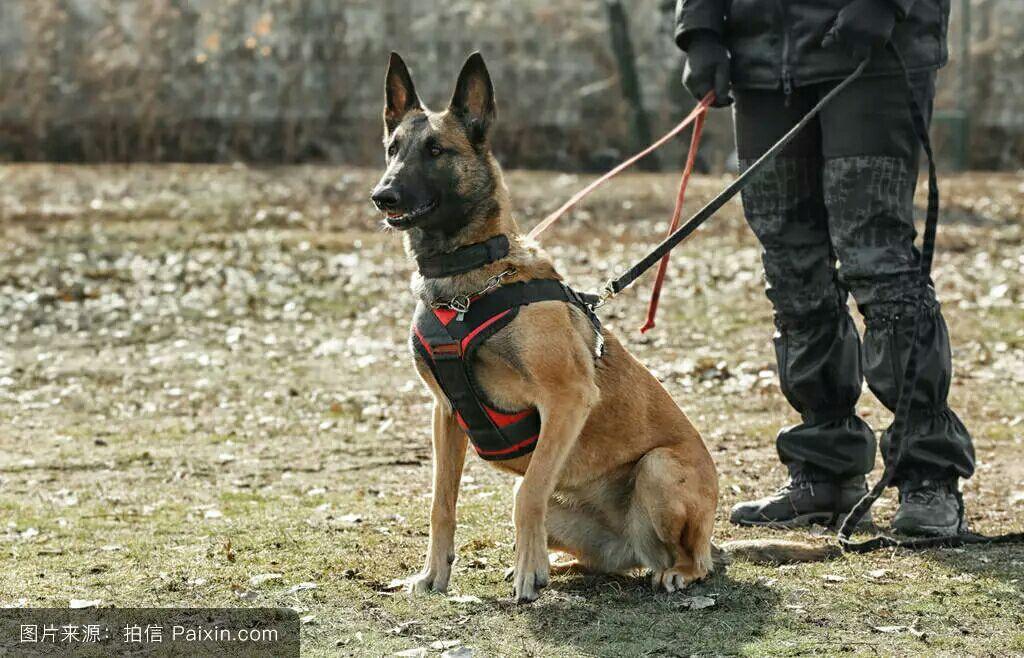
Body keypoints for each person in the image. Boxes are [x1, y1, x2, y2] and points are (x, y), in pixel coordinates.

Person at [673, 0, 975, 536]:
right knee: (793, 270)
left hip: (873, 49)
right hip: (760, 59)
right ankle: (823, 469)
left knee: (877, 259)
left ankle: (928, 474)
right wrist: (698, 27)